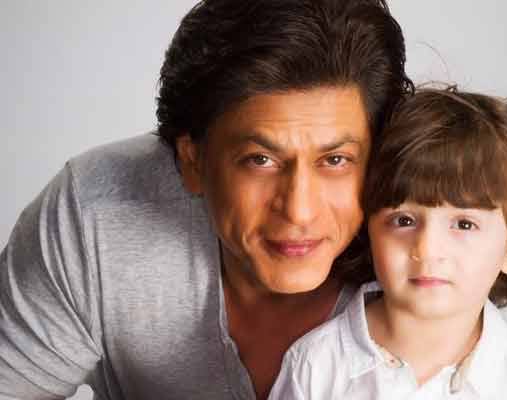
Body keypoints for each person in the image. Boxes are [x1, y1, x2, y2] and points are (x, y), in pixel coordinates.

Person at [0, 1, 411, 399]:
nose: (299, 210)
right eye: (260, 160)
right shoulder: (98, 212)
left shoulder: (431, 245)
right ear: (193, 161)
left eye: (335, 160)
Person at [268, 87, 507, 399]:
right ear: (369, 229)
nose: (426, 249)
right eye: (404, 221)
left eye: (464, 224)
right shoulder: (315, 366)